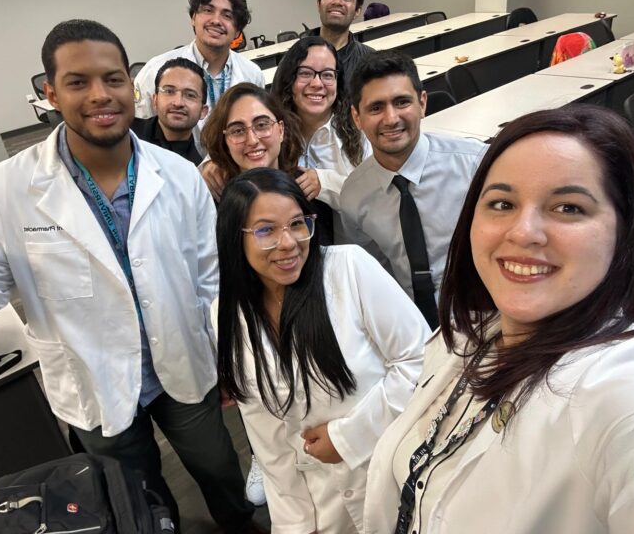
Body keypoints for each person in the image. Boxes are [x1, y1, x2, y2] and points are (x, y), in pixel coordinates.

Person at [0, 19, 257, 534]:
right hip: (94, 380)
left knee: (220, 468)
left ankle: (240, 523)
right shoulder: (9, 188)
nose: (100, 95)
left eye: (113, 79)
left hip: (184, 365)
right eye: (77, 82)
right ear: (50, 92)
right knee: (129, 492)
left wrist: (225, 354)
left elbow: (210, 280)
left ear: (131, 88)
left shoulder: (178, 176)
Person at [363, 105, 634, 534]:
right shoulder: (468, 337)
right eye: (502, 203)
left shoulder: (623, 388)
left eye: (568, 208)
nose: (524, 232)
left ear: (624, 230)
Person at [214, 168, 430, 533]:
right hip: (317, 504)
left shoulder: (348, 268)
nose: (288, 243)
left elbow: (422, 362)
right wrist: (293, 523)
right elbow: (266, 437)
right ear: (236, 238)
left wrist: (348, 437)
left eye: (297, 223)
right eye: (266, 230)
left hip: (388, 474)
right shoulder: (227, 313)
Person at [339, 51, 485, 328]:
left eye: (402, 102)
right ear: (357, 118)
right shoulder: (354, 196)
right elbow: (377, 273)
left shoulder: (474, 166)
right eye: (376, 108)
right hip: (411, 327)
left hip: (483, 314)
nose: (391, 118)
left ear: (422, 103)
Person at [200, 82, 335, 244]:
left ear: (281, 130)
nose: (252, 140)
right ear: (225, 142)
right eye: (237, 130)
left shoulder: (310, 190)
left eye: (262, 125)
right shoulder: (213, 201)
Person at [133, 0, 264, 142]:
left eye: (227, 15)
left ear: (238, 31)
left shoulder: (252, 74)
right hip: (176, 164)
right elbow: (141, 139)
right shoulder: (154, 71)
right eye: (208, 10)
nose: (216, 20)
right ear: (193, 18)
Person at [272, 36, 370, 214]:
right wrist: (213, 163)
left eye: (327, 75)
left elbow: (374, 199)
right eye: (305, 73)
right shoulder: (273, 127)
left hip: (350, 240)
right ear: (290, 80)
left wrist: (325, 183)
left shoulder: (359, 130)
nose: (317, 83)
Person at [131, 57, 207, 167]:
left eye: (190, 95)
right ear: (155, 100)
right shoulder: (125, 135)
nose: (178, 102)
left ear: (203, 111)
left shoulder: (197, 170)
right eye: (169, 91)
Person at [307, 0, 374, 90]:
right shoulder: (294, 58)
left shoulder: (370, 62)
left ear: (357, 11)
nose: (337, 2)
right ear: (318, 4)